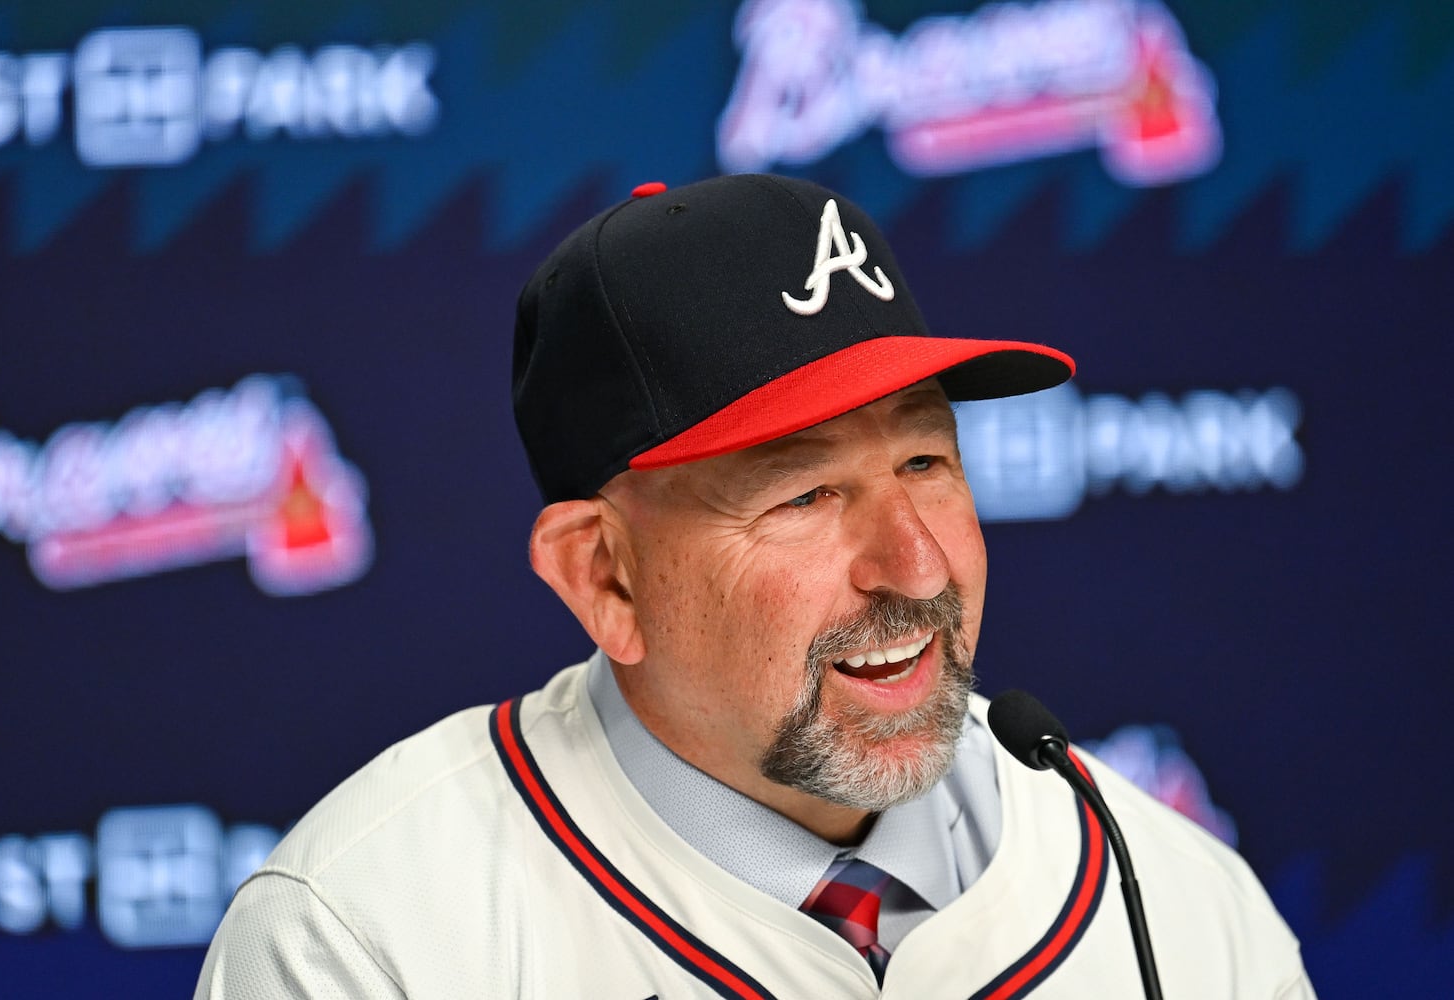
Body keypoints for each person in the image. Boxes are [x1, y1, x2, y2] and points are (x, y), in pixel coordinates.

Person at [195, 174, 1315, 997]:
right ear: (606, 578)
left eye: (926, 462)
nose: (915, 566)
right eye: (805, 495)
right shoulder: (367, 935)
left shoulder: (1175, 900)